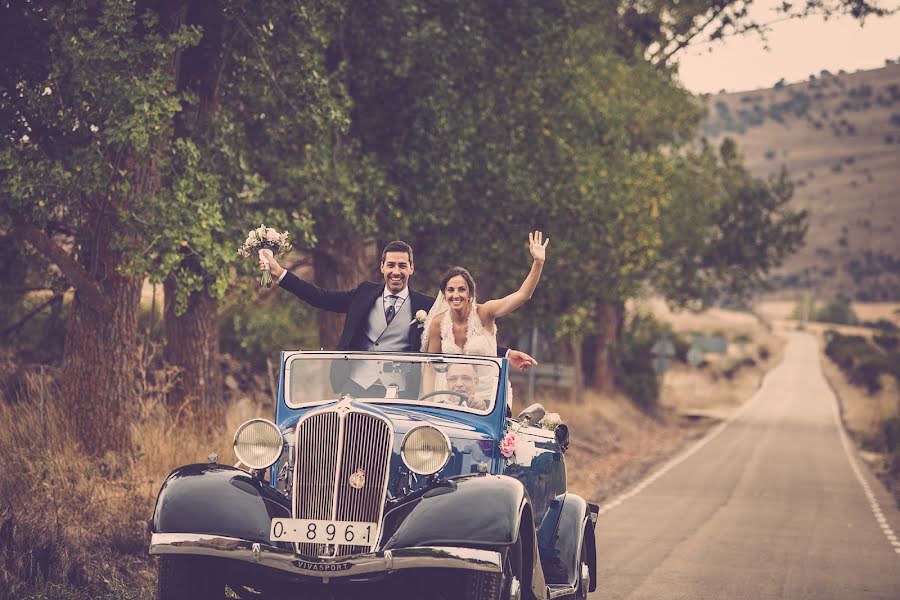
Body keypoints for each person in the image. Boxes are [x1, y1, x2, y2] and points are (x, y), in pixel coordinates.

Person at [259, 240, 537, 395]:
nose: (396, 271)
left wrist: (506, 352)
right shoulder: (363, 294)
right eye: (390, 264)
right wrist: (280, 274)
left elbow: (462, 334)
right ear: (381, 267)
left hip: (402, 392)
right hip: (354, 386)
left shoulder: (428, 307)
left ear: (411, 269)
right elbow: (319, 297)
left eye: (402, 265)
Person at [421, 230, 547, 357]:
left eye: (461, 289)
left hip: (487, 377)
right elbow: (431, 366)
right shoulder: (438, 322)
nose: (456, 295)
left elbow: (522, 295)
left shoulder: (485, 312)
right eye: (450, 290)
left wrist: (538, 263)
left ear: (470, 294)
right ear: (444, 294)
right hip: (450, 378)